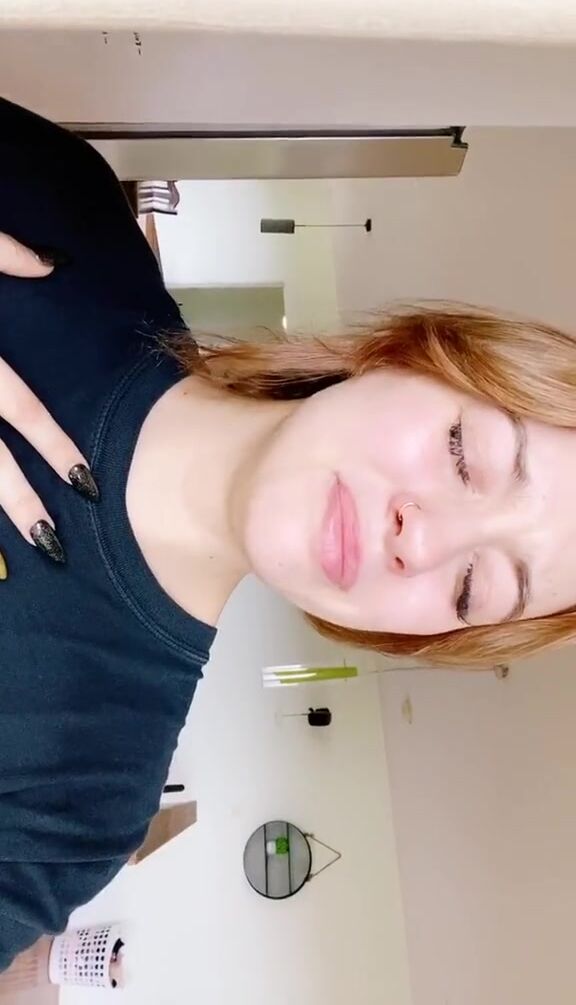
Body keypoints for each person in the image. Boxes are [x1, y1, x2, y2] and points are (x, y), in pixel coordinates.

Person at [0, 95, 575, 968]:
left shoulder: (83, 795)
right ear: (410, 353)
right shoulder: (70, 202)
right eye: (467, 453)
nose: (421, 540)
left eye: (472, 588)